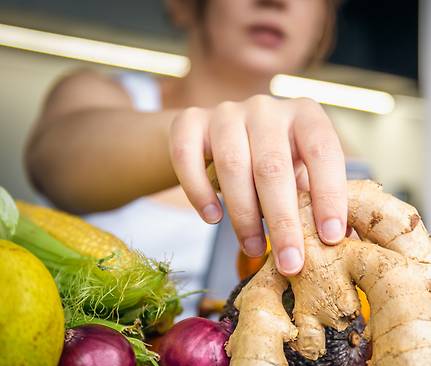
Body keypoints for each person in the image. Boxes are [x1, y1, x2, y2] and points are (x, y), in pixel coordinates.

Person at [25, 0, 352, 313]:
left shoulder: (333, 156)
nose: (274, 0)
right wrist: (210, 132)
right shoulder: (94, 93)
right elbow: (56, 161)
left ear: (322, 22)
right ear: (184, 3)